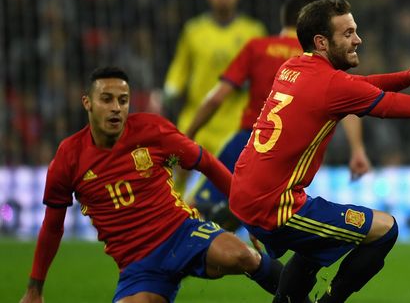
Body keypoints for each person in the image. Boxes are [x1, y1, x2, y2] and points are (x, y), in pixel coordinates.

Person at [229, 0, 410, 303]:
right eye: (348, 34)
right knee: (385, 229)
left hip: (245, 192)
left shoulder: (292, 67)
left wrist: (408, 76)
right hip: (275, 205)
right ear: (321, 42)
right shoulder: (332, 85)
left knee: (316, 246)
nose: (358, 39)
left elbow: (360, 84)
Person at [20, 66, 285, 303]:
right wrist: (35, 287)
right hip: (138, 264)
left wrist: (246, 213)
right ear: (87, 103)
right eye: (107, 99)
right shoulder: (69, 158)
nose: (116, 107)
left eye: (123, 101)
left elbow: (206, 163)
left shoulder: (152, 130)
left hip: (182, 233)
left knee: (242, 256)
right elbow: (52, 227)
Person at [184, 0, 371, 226]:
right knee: (262, 217)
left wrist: (188, 134)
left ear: (284, 17)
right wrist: (357, 150)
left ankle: (185, 256)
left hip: (252, 144)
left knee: (197, 208)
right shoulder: (323, 55)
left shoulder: (258, 47)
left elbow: (216, 98)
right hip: (296, 156)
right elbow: (349, 102)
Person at [163, 0, 266, 194]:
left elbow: (263, 72)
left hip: (232, 122)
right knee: (177, 170)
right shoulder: (194, 31)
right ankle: (169, 216)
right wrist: (171, 89)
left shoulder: (252, 31)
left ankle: (205, 219)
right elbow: (180, 67)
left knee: (221, 182)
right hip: (196, 116)